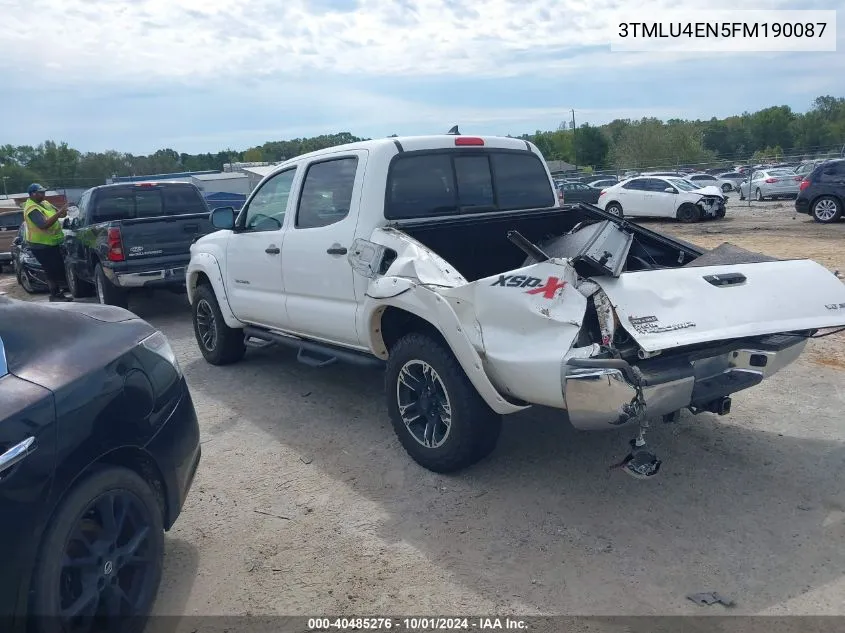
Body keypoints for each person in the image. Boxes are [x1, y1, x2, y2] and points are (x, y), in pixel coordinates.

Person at [22, 183, 72, 302]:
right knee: (50, 269)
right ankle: (55, 295)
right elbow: (43, 225)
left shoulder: (45, 203)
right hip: (40, 245)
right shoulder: (31, 208)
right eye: (41, 192)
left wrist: (64, 211)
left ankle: (58, 294)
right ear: (33, 194)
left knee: (56, 268)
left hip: (52, 243)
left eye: (44, 192)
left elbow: (58, 213)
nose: (43, 194)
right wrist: (59, 213)